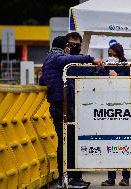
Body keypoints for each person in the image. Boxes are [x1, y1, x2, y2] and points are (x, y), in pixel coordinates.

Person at [39, 36, 103, 188]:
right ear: (63, 47)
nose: (69, 49)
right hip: (63, 105)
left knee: (66, 141)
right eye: (68, 46)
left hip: (57, 104)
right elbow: (64, 61)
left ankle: (70, 177)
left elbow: (42, 81)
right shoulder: (57, 57)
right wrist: (90, 58)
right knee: (68, 142)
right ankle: (69, 179)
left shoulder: (48, 59)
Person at [100, 43, 131, 187]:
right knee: (110, 144)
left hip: (125, 109)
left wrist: (118, 76)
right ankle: (111, 178)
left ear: (119, 54)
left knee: (126, 144)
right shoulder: (104, 66)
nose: (111, 57)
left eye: (113, 54)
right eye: (109, 54)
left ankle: (126, 178)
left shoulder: (127, 66)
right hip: (108, 109)